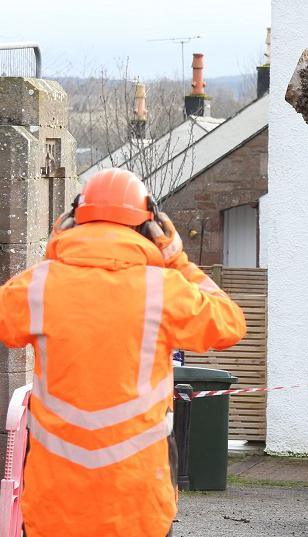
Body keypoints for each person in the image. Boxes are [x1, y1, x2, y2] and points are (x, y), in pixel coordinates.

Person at [0, 168, 247, 537]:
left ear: (72, 221)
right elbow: (230, 324)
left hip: (55, 507)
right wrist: (176, 259)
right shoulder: (163, 289)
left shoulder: (39, 285)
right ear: (148, 227)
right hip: (137, 506)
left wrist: (56, 247)